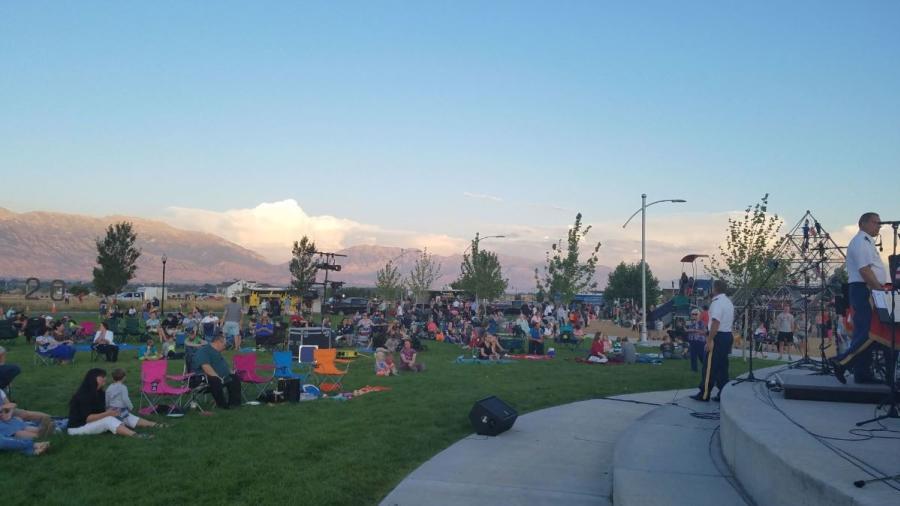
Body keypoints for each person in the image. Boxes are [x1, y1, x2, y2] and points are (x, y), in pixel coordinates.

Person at [831, 212, 890, 384]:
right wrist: (879, 290)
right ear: (863, 223)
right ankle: (841, 362)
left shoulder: (867, 242)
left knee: (869, 332)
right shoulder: (861, 242)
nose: (879, 225)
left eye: (879, 223)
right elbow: (865, 270)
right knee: (868, 333)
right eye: (875, 222)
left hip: (867, 289)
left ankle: (862, 373)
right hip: (866, 289)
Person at [67, 368, 154, 437]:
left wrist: (114, 411)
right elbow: (88, 418)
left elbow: (102, 409)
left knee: (122, 412)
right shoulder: (83, 395)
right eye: (101, 376)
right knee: (108, 420)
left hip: (92, 422)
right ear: (93, 378)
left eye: (104, 376)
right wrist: (108, 414)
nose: (105, 378)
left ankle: (153, 424)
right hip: (78, 427)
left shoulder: (100, 393)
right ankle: (136, 435)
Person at [691, 280, 735, 402]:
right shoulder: (728, 302)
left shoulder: (717, 303)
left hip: (718, 337)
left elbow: (716, 322)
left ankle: (704, 393)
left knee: (709, 366)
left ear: (714, 289)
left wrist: (709, 340)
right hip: (727, 336)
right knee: (722, 366)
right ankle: (723, 392)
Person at [191, 333, 242, 408]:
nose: (225, 347)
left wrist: (230, 371)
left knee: (234, 378)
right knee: (215, 380)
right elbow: (206, 367)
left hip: (222, 377)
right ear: (218, 342)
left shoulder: (216, 352)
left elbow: (223, 365)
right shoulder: (204, 351)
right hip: (204, 378)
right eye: (224, 344)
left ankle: (234, 403)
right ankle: (222, 405)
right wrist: (218, 376)